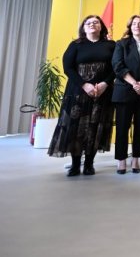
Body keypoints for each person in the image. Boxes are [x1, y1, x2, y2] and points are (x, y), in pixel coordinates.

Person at [48, 15, 116, 176]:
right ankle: (75, 164)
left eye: (96, 22)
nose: (92, 24)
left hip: (102, 92)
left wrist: (105, 83)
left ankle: (89, 164)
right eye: (88, 23)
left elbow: (116, 67)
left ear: (101, 26)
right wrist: (84, 85)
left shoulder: (111, 45)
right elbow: (68, 68)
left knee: (95, 127)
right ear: (84, 28)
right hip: (78, 92)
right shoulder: (76, 45)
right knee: (76, 127)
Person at [111, 15, 140, 174]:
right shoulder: (121, 44)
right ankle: (121, 160)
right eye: (134, 23)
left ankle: (136, 159)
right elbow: (117, 66)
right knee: (122, 128)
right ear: (130, 27)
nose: (137, 26)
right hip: (124, 91)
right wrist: (134, 84)